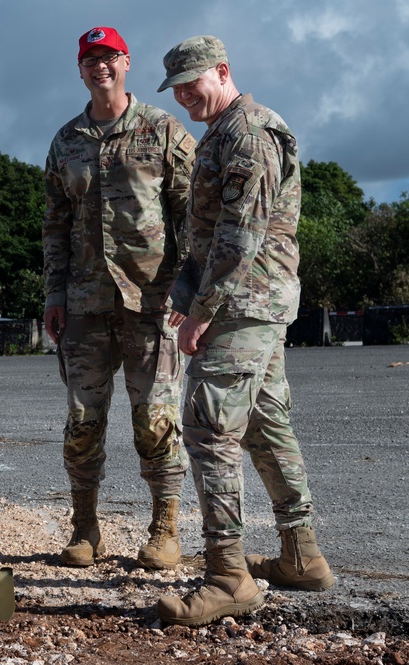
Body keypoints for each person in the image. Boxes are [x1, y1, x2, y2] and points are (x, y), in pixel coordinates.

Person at [154, 36, 335, 626]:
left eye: (192, 83)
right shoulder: (223, 131)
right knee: (265, 425)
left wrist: (202, 313)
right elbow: (204, 236)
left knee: (209, 431)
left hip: (243, 305)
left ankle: (229, 576)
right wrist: (183, 297)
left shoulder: (251, 134)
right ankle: (302, 556)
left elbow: (239, 239)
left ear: (223, 71)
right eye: (175, 88)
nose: (184, 97)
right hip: (243, 302)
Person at [42, 27, 195, 571]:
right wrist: (53, 294)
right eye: (90, 60)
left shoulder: (162, 130)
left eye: (108, 58)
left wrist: (188, 287)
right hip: (84, 305)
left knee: (155, 419)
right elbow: (55, 224)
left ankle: (165, 528)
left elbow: (193, 214)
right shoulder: (66, 141)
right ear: (80, 69)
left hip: (152, 304)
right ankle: (85, 528)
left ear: (126, 63)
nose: (99, 67)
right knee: (82, 422)